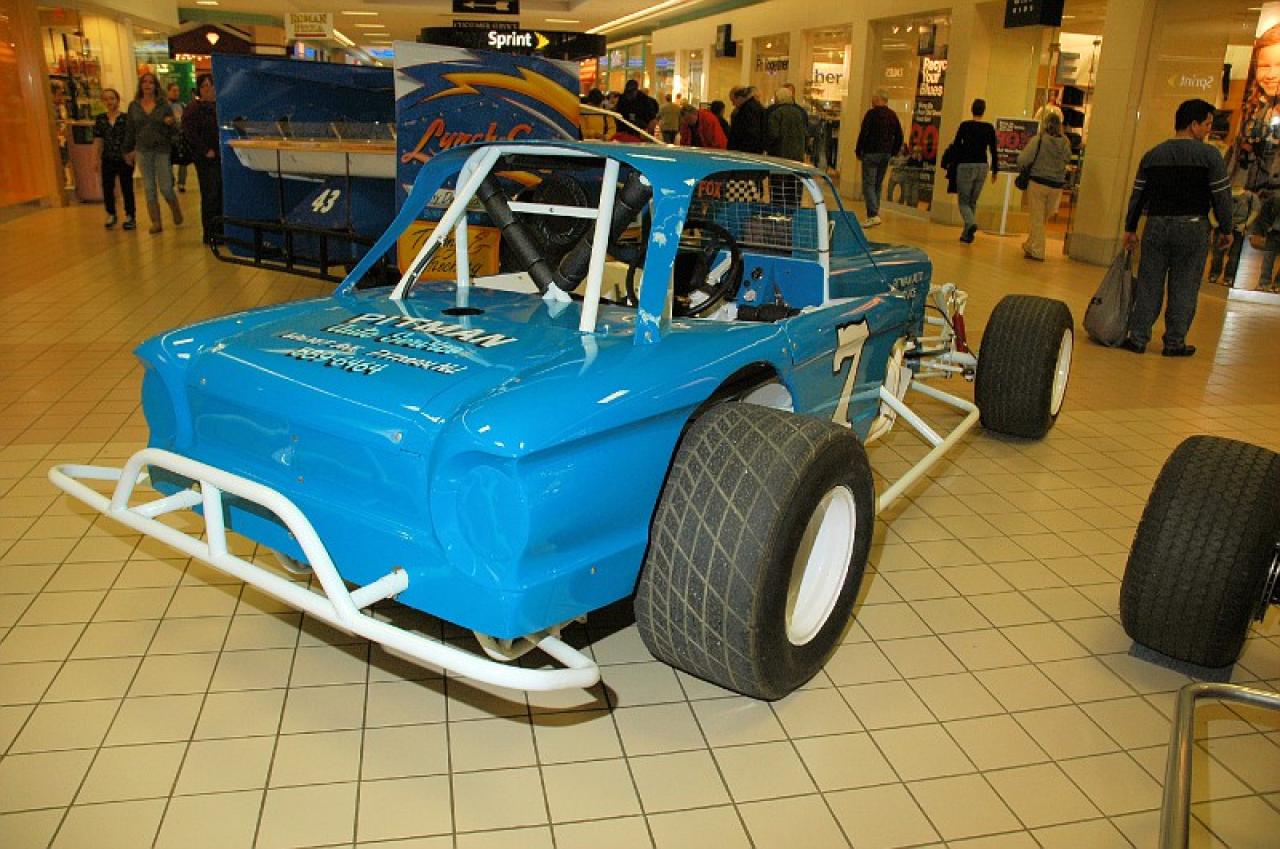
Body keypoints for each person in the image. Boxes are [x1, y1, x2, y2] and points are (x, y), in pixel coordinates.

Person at [1120, 98, 1233, 357]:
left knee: (1149, 282)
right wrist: (1226, 228)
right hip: (1193, 227)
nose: (1208, 130)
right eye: (1207, 124)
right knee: (1185, 285)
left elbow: (1139, 195)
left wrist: (1130, 227)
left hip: (1156, 225)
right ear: (1193, 125)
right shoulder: (1210, 156)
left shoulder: (1153, 155)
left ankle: (1138, 338)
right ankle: (1174, 342)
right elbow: (1222, 196)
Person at [124, 71, 183, 234]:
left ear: (156, 86)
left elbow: (175, 129)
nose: (147, 85)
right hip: (143, 150)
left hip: (161, 149)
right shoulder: (134, 106)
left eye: (151, 82)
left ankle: (175, 207)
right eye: (145, 82)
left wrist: (170, 123)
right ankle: (156, 222)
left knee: (165, 187)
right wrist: (127, 150)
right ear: (140, 85)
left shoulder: (163, 105)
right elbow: (130, 129)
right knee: (149, 187)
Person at [1017, 112, 1072, 261]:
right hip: (1056, 186)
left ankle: (1037, 251)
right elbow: (1067, 159)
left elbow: (1023, 159)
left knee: (1037, 219)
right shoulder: (1065, 142)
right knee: (1041, 220)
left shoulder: (1039, 140)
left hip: (1038, 183)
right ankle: (1030, 245)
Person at [946, 98, 999, 243]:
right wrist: (995, 169)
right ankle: (967, 235)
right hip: (982, 166)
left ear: (972, 109)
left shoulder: (965, 126)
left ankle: (971, 223)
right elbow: (993, 150)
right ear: (984, 111)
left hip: (966, 165)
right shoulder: (989, 128)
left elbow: (956, 145)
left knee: (963, 201)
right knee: (972, 201)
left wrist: (952, 163)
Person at [182, 73, 222, 245]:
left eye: (211, 85)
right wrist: (205, 150)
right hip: (206, 159)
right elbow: (190, 133)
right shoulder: (193, 109)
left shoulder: (219, 106)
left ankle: (221, 230)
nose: (208, 89)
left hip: (220, 156)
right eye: (204, 86)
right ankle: (210, 233)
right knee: (210, 194)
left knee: (220, 194)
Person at [854, 90, 904, 228]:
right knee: (877, 184)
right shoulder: (892, 115)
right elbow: (899, 136)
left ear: (878, 99)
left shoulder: (871, 114)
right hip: (885, 154)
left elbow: (863, 133)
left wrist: (858, 150)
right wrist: (892, 151)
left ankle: (873, 214)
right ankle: (875, 212)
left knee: (868, 184)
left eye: (874, 98)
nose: (872, 101)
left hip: (871, 153)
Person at [93, 88, 135, 231]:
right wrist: (95, 159)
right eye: (106, 99)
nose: (109, 101)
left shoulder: (126, 118)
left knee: (127, 187)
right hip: (108, 158)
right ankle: (111, 213)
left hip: (124, 158)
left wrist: (132, 153)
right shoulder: (100, 119)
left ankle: (130, 215)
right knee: (107, 187)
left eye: (112, 98)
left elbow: (132, 137)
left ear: (117, 100)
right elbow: (98, 140)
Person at [1207, 184, 1259, 286]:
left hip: (1238, 229)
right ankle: (1214, 274)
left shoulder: (1250, 196)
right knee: (1218, 253)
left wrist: (1245, 224)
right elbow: (1211, 208)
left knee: (1234, 255)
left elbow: (1255, 211)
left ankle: (1229, 277)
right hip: (1222, 227)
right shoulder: (1222, 194)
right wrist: (1214, 223)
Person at [1249, 188, 1280, 292]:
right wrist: (1266, 228)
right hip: (1273, 233)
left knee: (1268, 259)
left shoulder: (1274, 197)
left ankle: (1270, 284)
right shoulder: (1275, 198)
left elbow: (1263, 215)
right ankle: (1266, 283)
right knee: (1268, 258)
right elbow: (1263, 214)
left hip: (1273, 232)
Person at [766, 86, 808, 161]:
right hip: (797, 154)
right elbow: (805, 133)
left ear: (779, 98)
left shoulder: (777, 113)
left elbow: (773, 134)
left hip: (780, 154)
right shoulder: (799, 112)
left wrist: (768, 148)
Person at [727, 86, 766, 154]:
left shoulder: (747, 109)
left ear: (739, 98)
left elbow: (749, 132)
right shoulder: (757, 107)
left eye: (733, 101)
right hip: (754, 150)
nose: (733, 104)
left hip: (746, 150)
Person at [167, 82, 188, 193]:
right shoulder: (165, 106)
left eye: (177, 90)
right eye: (173, 90)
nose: (176, 93)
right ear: (168, 91)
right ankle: (170, 181)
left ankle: (181, 182)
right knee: (168, 161)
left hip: (181, 136)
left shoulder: (182, 105)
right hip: (169, 137)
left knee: (183, 161)